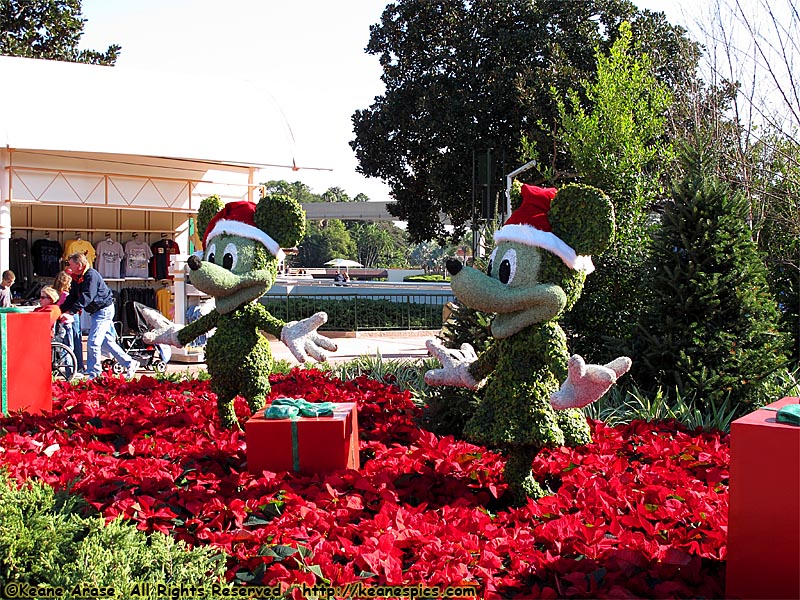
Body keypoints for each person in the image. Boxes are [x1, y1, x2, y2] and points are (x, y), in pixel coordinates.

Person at [59, 252, 139, 380]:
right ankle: (130, 363)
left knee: (93, 342)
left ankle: (94, 374)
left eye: (71, 264)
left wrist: (71, 312)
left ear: (79, 265)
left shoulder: (91, 275)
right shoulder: (77, 277)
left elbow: (87, 296)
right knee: (107, 343)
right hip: (96, 312)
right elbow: (73, 296)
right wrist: (60, 310)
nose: (69, 267)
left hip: (103, 310)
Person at [54, 270, 84, 372]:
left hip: (63, 317)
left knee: (69, 341)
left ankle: (73, 366)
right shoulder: (67, 294)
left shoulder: (57, 293)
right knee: (75, 339)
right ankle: (77, 366)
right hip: (71, 316)